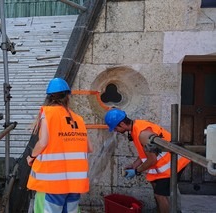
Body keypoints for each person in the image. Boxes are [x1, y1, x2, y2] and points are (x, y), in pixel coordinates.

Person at [26, 78, 93, 213]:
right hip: (75, 182)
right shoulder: (78, 119)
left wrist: (31, 157)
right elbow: (89, 148)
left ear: (49, 97)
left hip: (52, 182)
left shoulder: (48, 113)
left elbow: (43, 142)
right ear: (68, 96)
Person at [104, 108, 191, 213]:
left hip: (174, 162)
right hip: (167, 162)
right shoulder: (137, 128)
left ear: (122, 124)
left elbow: (152, 160)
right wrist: (134, 165)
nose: (115, 131)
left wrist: (137, 171)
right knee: (157, 190)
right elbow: (145, 152)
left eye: (115, 128)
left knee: (160, 195)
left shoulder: (142, 134)